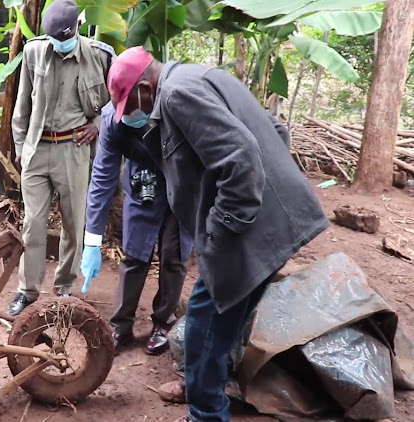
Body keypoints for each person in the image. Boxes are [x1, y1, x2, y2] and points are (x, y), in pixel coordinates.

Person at [106, 47, 329, 422]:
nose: (129, 115)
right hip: (264, 219)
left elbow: (240, 157)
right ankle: (210, 391)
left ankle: (206, 413)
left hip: (243, 228)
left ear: (146, 87)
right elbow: (274, 131)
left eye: (129, 105)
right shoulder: (201, 74)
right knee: (227, 317)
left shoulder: (177, 94)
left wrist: (220, 231)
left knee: (202, 331)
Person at [8, 0, 115, 316]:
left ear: (77, 29)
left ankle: (64, 290)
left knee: (72, 224)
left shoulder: (100, 57)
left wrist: (96, 126)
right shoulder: (34, 52)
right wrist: (19, 149)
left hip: (74, 150)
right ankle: (27, 292)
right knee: (34, 224)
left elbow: (114, 103)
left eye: (65, 39)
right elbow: (21, 106)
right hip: (37, 149)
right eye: (55, 38)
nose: (60, 45)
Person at [81, 102, 193, 355]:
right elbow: (102, 176)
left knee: (174, 256)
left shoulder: (176, 107)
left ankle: (164, 323)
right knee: (134, 254)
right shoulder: (111, 120)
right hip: (143, 184)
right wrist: (92, 239)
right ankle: (121, 326)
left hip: (182, 185)